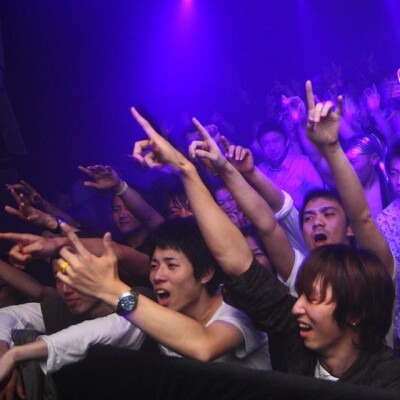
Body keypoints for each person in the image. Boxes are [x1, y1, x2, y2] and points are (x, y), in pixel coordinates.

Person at [91, 98, 400, 390]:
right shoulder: (293, 336)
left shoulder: (387, 378)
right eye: (302, 294)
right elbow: (241, 261)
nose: (298, 306)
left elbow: (362, 219)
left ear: (355, 312)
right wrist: (187, 170)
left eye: (315, 298)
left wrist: (331, 148)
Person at [256, 118, 324, 210]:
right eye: (265, 144)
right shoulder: (260, 172)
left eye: (276, 141)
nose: (272, 148)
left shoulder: (303, 164)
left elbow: (319, 195)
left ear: (287, 142)